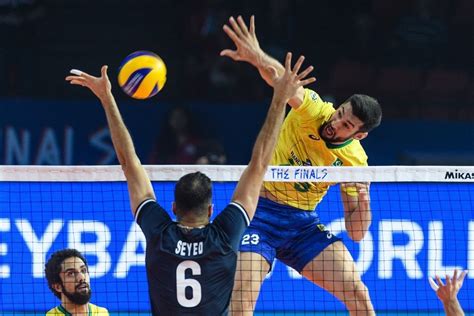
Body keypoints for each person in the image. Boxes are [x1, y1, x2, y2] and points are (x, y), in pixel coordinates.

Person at [65, 52, 315, 315]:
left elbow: (129, 162)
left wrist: (106, 98)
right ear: (210, 210)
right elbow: (260, 163)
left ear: (173, 207)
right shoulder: (226, 234)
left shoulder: (160, 233)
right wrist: (280, 98)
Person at [220, 15, 382, 315]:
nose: (335, 123)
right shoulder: (316, 111)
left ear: (359, 135)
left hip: (301, 225)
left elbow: (356, 232)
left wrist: (364, 198)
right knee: (243, 297)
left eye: (346, 125)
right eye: (340, 113)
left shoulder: (355, 161)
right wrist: (256, 56)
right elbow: (284, 82)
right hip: (259, 214)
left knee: (358, 293)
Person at [44, 248, 109, 315]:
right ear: (58, 287)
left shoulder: (102, 313)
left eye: (83, 270)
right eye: (71, 273)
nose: (82, 278)